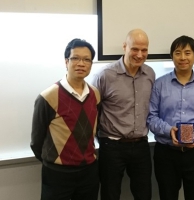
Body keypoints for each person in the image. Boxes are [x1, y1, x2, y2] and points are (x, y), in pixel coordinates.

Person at [147, 35, 194, 200]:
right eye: (178, 53)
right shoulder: (159, 84)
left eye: (187, 53)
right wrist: (168, 130)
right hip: (166, 153)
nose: (183, 57)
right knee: (167, 196)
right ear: (172, 56)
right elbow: (151, 117)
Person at [30, 38, 100, 200]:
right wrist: (55, 161)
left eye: (87, 59)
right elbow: (36, 141)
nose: (81, 63)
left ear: (91, 64)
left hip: (88, 171)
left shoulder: (95, 94)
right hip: (57, 173)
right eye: (75, 58)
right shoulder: (48, 97)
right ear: (66, 61)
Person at [90, 29, 155, 200]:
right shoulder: (104, 75)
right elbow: (91, 112)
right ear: (124, 47)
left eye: (144, 50)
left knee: (144, 194)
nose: (140, 54)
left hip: (141, 146)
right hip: (112, 147)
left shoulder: (150, 74)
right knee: (110, 194)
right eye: (135, 49)